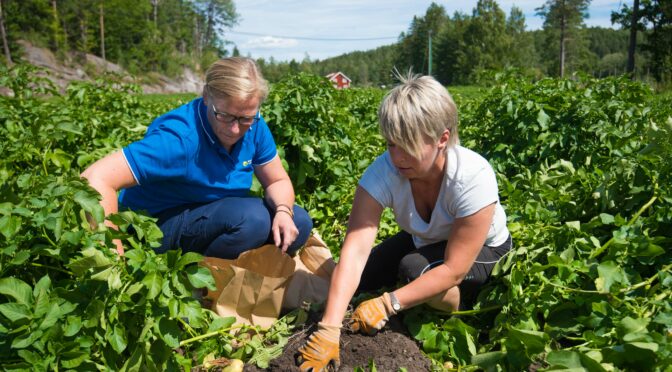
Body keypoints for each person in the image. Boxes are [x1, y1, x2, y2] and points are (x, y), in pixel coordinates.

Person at [296, 73, 511, 371]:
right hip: (426, 239)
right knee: (365, 277)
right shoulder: (383, 172)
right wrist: (329, 327)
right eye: (390, 144)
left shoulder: (472, 177)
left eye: (408, 145)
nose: (397, 157)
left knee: (413, 270)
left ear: (442, 139)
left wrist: (389, 303)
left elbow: (454, 269)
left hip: (482, 251)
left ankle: (461, 306)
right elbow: (355, 251)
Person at [81, 57, 312, 258]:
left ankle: (242, 279)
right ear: (206, 97)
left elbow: (277, 181)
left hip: (216, 215)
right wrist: (112, 253)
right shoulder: (180, 139)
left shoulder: (254, 127)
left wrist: (283, 211)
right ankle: (200, 282)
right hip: (157, 226)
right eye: (224, 115)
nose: (235, 130)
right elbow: (96, 177)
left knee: (298, 222)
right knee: (253, 221)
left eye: (245, 118)